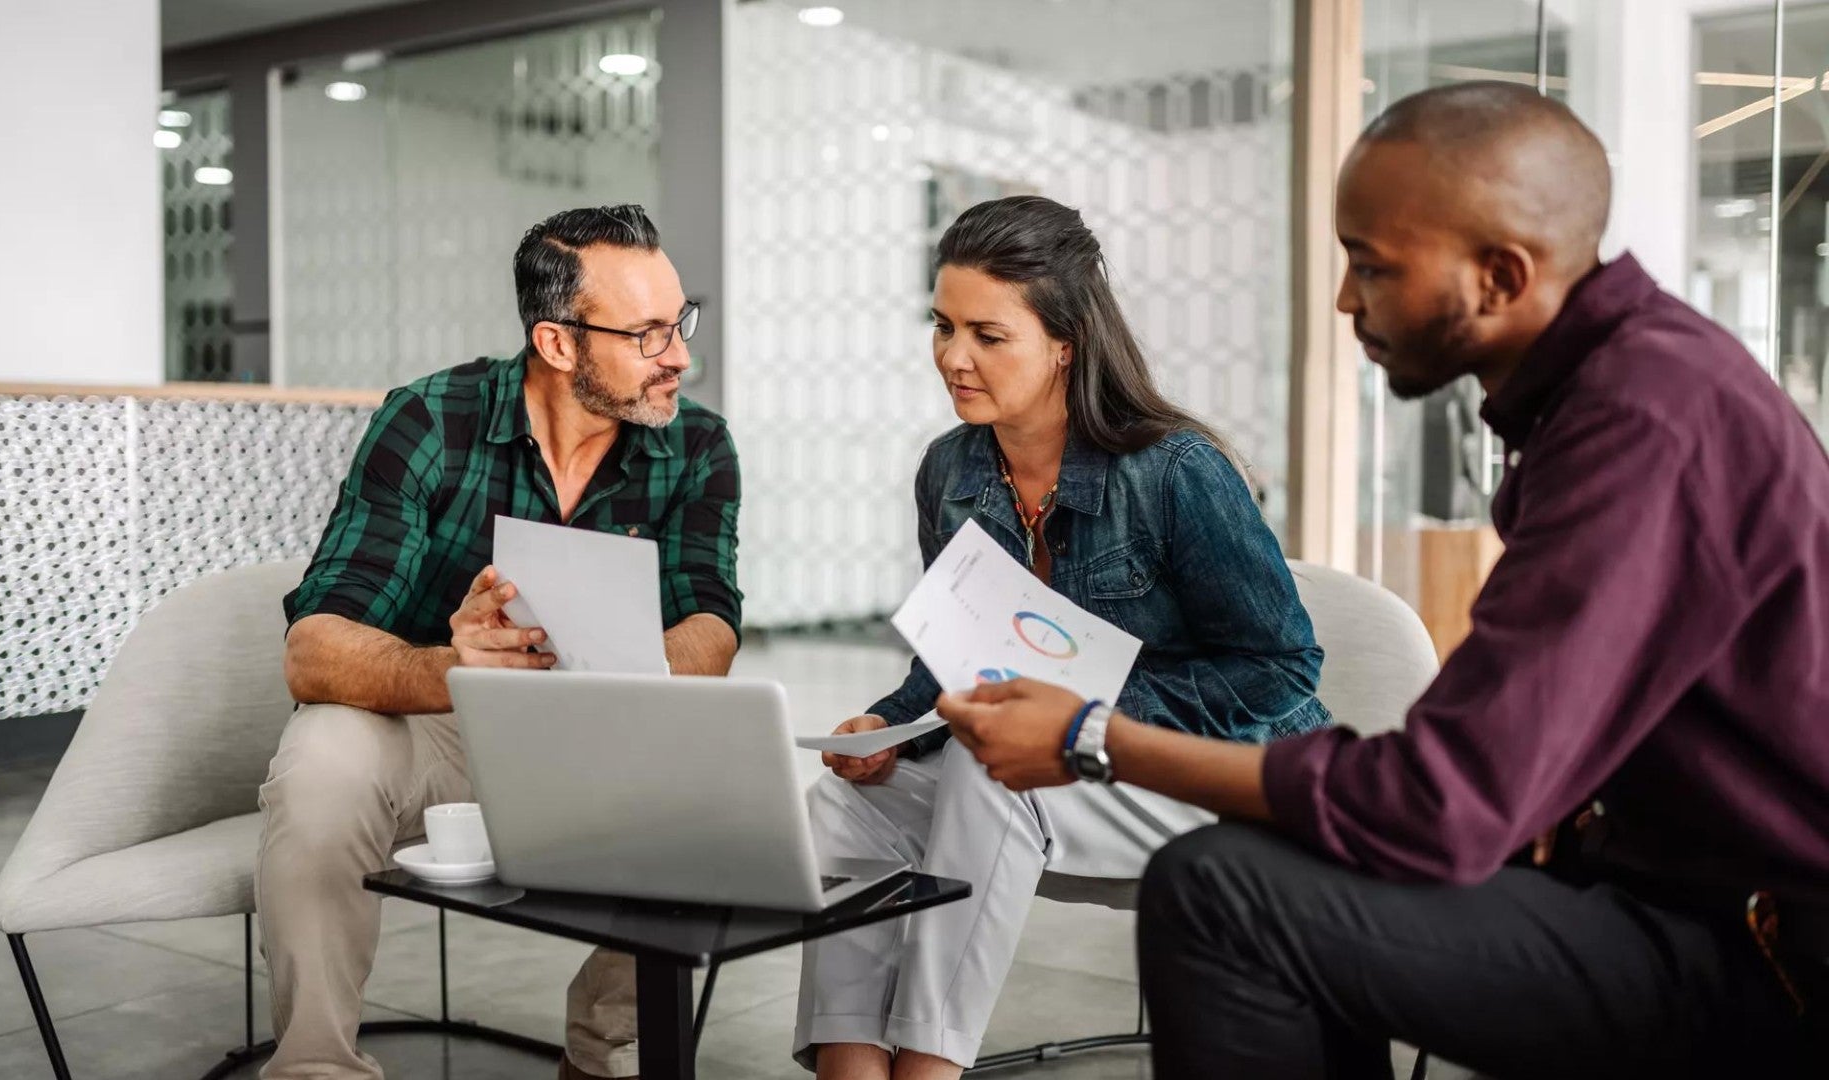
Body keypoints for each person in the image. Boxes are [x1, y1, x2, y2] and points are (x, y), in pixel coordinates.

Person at [937, 83, 1829, 1078]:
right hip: (1665, 889)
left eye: (1373, 266)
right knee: (1269, 868)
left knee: (1219, 893)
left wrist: (1089, 737)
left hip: (1764, 955)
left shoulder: (1645, 423)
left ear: (1499, 277)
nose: (1346, 300)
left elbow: (1442, 805)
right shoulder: (1623, 390)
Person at [794, 195, 1330, 1079]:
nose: (952, 358)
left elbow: (1280, 671)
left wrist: (1080, 717)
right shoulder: (951, 470)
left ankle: (931, 1069)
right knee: (847, 805)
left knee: (989, 772)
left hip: (1206, 773)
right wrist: (884, 723)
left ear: (1065, 343)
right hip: (1059, 777)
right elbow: (951, 657)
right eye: (942, 326)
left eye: (987, 335)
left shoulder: (1175, 471)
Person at [260, 204, 741, 1080]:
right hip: (437, 725)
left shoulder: (697, 445)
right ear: (558, 344)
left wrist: (620, 664)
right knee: (322, 757)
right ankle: (314, 1068)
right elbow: (314, 650)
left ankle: (602, 1050)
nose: (680, 355)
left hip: (600, 731)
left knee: (727, 781)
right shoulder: (428, 420)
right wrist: (451, 665)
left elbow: (713, 625)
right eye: (647, 334)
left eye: (680, 323)